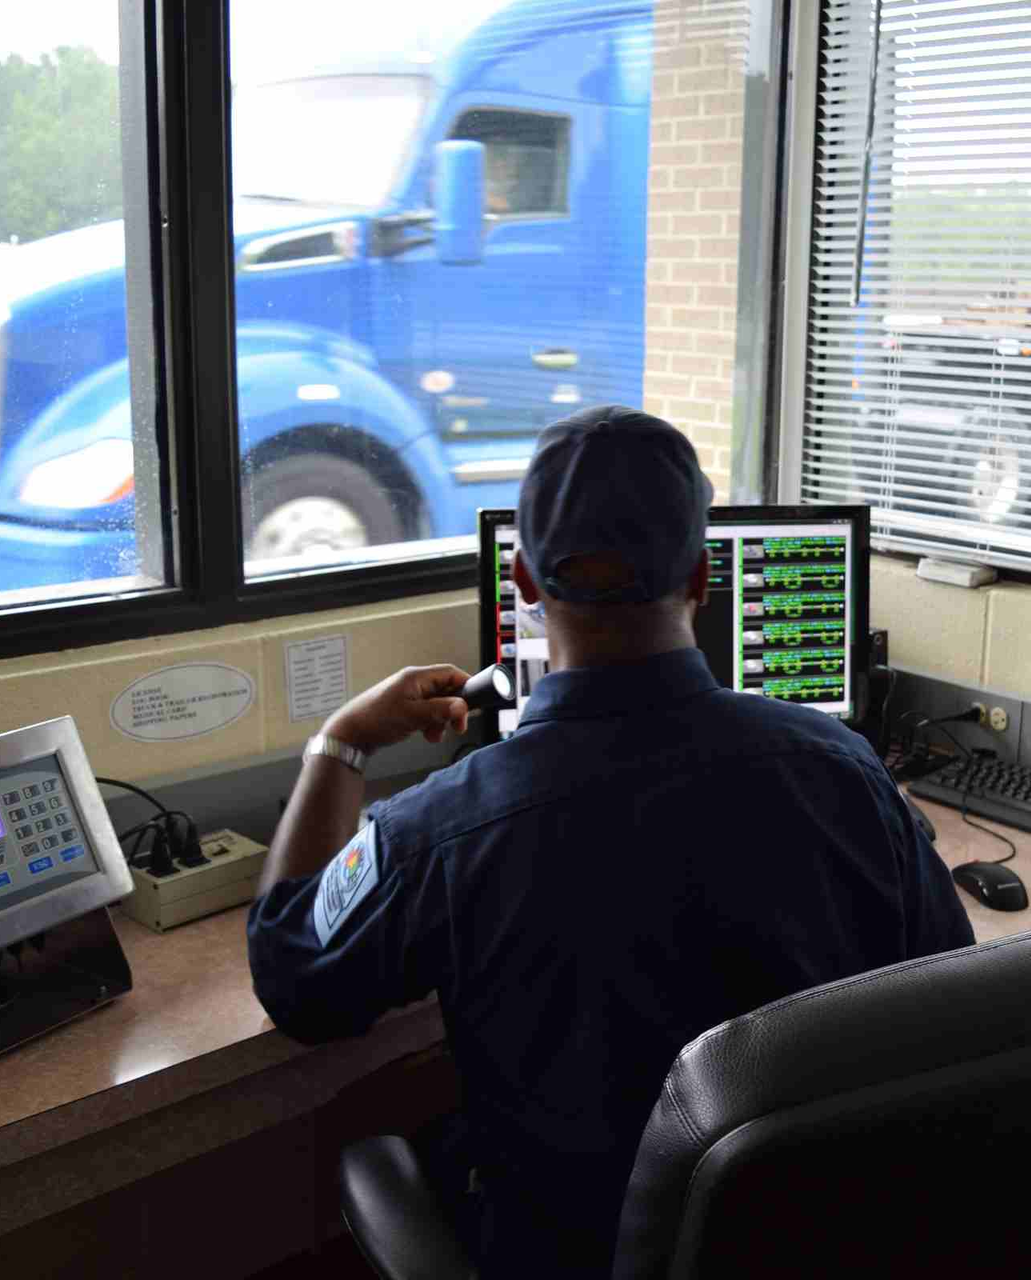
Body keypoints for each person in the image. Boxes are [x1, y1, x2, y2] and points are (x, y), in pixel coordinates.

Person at [246, 405, 974, 1276]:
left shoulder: (443, 829)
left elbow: (295, 982)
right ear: (702, 576)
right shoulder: (845, 770)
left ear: (523, 578)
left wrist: (341, 745)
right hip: (809, 1240)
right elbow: (950, 984)